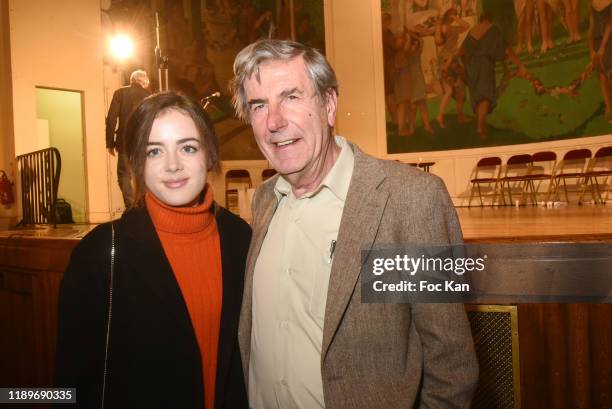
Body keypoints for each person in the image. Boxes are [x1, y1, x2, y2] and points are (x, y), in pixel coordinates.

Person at [230, 39, 478, 409]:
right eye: (259, 106)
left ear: (329, 105)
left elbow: (453, 366)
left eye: (291, 97)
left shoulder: (410, 200)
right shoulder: (265, 200)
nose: (275, 122)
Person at [56, 92, 250, 409]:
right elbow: (69, 381)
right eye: (155, 151)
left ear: (209, 155)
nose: (173, 165)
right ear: (137, 163)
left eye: (187, 147)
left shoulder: (240, 238)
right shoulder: (100, 252)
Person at [461, 12, 527, 138]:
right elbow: (506, 49)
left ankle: (481, 125)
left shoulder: (472, 31)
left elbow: (462, 50)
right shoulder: (492, 29)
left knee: (479, 97)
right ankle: (480, 127)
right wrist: (520, 65)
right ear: (489, 19)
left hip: (471, 67)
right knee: (486, 96)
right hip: (484, 65)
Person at [105, 69, 151, 208]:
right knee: (142, 174)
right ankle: (144, 205)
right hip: (143, 141)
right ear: (143, 82)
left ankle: (130, 205)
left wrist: (110, 143)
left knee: (124, 175)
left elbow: (111, 119)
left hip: (124, 141)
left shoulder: (120, 93)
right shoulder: (149, 96)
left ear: (131, 80)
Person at [435, 7, 471, 127]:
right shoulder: (444, 28)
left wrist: (456, 18)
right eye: (452, 14)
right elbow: (439, 40)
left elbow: (466, 26)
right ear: (447, 15)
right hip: (446, 60)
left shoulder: (453, 28)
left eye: (455, 14)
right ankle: (440, 116)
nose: (454, 16)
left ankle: (460, 116)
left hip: (453, 60)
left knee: (460, 89)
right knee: (449, 91)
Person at [589, 0, 612, 121]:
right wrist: (591, 49)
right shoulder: (592, 2)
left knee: (609, 73)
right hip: (597, 41)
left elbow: (610, 24)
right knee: (602, 76)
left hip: (609, 41)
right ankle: (609, 108)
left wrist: (603, 47)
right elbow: (592, 26)